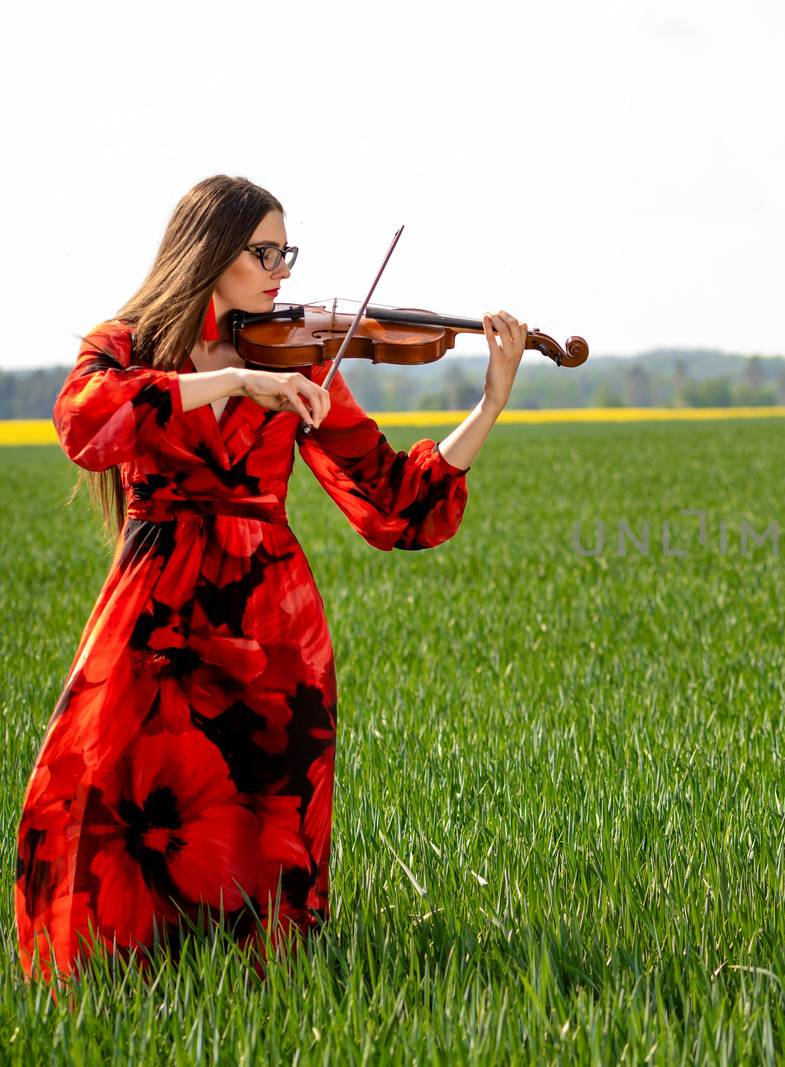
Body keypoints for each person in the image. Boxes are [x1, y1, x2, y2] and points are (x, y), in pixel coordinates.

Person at [14, 174, 532, 981]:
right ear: (210, 250)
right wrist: (231, 382)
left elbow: (393, 502)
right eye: (264, 251)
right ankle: (104, 986)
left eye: (285, 251)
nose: (280, 269)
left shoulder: (302, 358)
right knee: (97, 793)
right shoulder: (126, 345)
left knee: (265, 817)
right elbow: (85, 420)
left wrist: (490, 404)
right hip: (155, 611)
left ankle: (263, 994)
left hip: (271, 622)